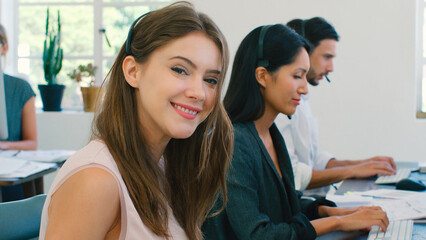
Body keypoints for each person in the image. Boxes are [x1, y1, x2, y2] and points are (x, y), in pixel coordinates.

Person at [39, 2, 233, 239]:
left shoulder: (161, 169)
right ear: (133, 72)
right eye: (180, 70)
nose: (199, 93)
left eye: (211, 80)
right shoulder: (96, 181)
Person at [202, 24, 389, 239]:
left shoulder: (270, 133)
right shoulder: (234, 142)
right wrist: (338, 222)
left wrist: (329, 211)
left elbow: (284, 206)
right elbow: (258, 235)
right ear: (262, 76)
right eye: (297, 76)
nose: (305, 88)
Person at [275, 17, 396, 195]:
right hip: (303, 210)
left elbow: (311, 160)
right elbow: (292, 174)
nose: (331, 67)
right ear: (304, 53)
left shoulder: (302, 101)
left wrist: (362, 164)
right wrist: (351, 171)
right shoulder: (281, 105)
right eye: (327, 57)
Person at [0, 23, 38, 202]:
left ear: (4, 47)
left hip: (9, 176)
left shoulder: (20, 88)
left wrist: (4, 145)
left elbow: (32, 142)